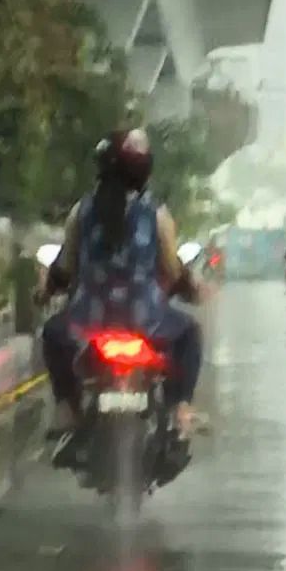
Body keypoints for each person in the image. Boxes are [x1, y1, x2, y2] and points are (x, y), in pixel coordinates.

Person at [35, 128, 203, 442]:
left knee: (52, 334)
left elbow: (65, 267)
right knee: (190, 333)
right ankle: (181, 407)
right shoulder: (156, 214)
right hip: (147, 320)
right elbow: (171, 268)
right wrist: (189, 286)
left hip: (89, 320)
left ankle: (67, 408)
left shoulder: (81, 211)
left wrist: (46, 288)